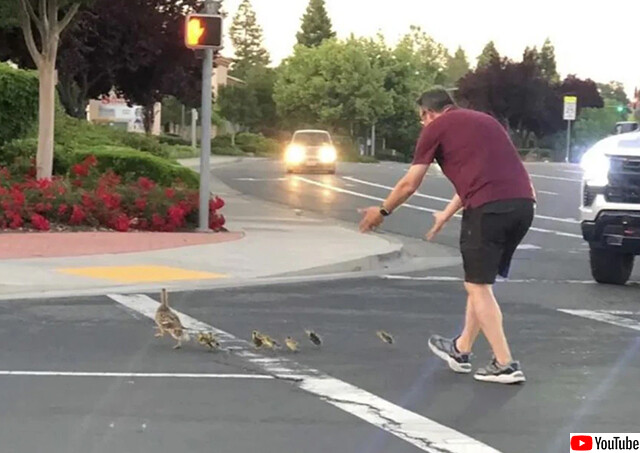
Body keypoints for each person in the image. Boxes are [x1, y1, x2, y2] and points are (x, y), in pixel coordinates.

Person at [359, 87, 535, 384]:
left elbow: (409, 183)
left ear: (428, 112)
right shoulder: (485, 121)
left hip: (488, 210)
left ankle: (505, 363)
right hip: (523, 206)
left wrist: (383, 211)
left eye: (421, 118)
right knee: (480, 283)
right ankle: (461, 348)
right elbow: (484, 175)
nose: (422, 124)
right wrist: (446, 213)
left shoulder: (436, 127)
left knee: (477, 287)